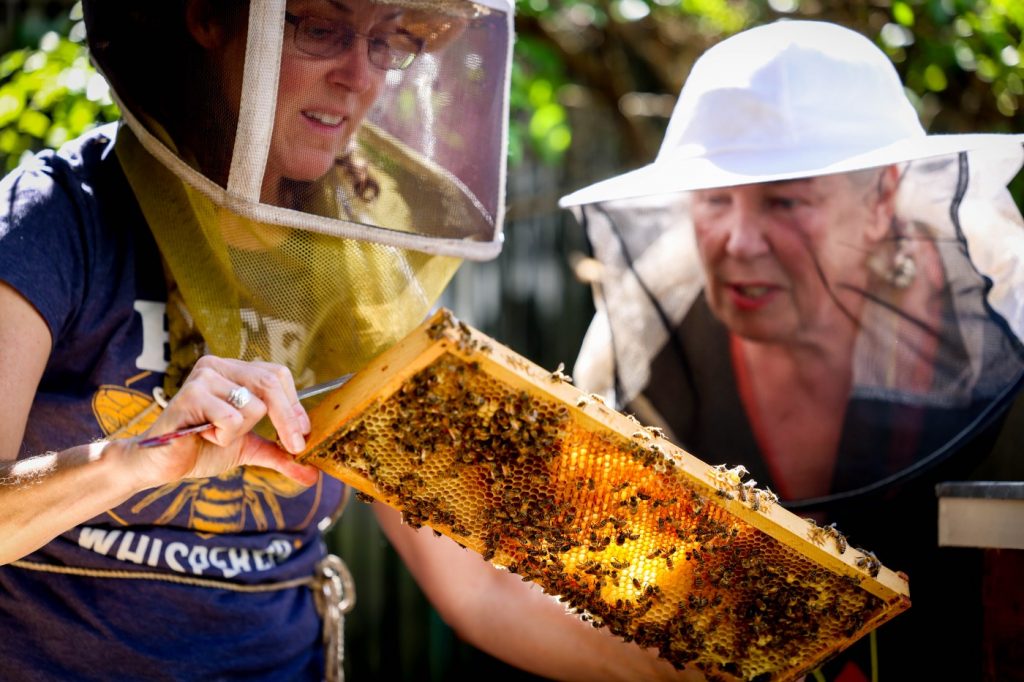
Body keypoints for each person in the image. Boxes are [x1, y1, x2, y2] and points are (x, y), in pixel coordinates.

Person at [0, 1, 695, 680]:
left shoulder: (362, 270)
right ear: (210, 18)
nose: (359, 76)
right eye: (322, 28)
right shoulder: (57, 220)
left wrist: (700, 670)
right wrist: (133, 461)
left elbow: (482, 591)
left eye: (388, 44)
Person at [561, 20, 1024, 681]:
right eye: (715, 199)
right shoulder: (645, 347)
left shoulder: (1002, 321)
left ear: (884, 195)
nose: (740, 241)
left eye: (784, 201)